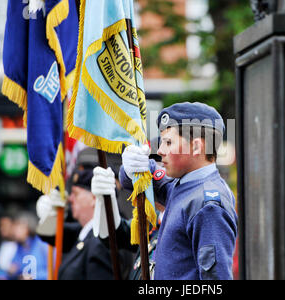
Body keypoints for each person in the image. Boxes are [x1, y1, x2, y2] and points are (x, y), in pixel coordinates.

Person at [94, 102, 238, 280]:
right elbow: (137, 178)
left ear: (196, 147)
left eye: (168, 142)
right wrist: (132, 164)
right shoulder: (184, 186)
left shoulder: (208, 204)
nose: (160, 150)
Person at [36, 168, 128, 280]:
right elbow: (48, 235)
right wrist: (52, 216)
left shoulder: (100, 242)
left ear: (94, 198)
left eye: (76, 194)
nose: (70, 199)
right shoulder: (84, 232)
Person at [8, 212, 49, 280]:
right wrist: (12, 272)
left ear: (27, 228)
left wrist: (33, 277)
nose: (14, 230)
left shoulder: (42, 244)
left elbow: (53, 272)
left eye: (18, 226)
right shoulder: (19, 246)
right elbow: (15, 268)